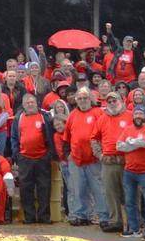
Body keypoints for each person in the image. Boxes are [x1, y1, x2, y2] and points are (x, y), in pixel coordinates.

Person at [10, 93, 55, 224]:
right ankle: (29, 217)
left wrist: (49, 154)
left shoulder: (44, 117)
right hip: (25, 158)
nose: (30, 104)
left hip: (42, 157)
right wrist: (16, 154)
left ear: (37, 104)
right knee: (25, 189)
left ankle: (44, 217)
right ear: (23, 105)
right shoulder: (19, 118)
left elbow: (51, 136)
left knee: (44, 188)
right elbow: (14, 138)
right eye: (27, 102)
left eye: (32, 102)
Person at [117, 106, 145, 241]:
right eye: (136, 114)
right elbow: (118, 145)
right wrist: (135, 143)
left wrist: (129, 142)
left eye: (141, 113)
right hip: (129, 170)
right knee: (129, 201)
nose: (138, 116)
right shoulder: (128, 129)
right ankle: (134, 229)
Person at [92, 91, 132, 233]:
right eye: (109, 101)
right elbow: (94, 138)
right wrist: (99, 154)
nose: (112, 103)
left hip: (127, 162)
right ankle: (116, 221)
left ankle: (134, 221)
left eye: (114, 101)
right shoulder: (102, 119)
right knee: (110, 192)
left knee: (130, 192)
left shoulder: (130, 116)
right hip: (108, 162)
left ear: (121, 101)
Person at [63, 89, 103, 227]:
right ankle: (81, 215)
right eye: (79, 98)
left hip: (94, 159)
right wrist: (68, 153)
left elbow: (104, 133)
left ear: (90, 99)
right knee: (79, 189)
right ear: (76, 100)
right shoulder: (72, 115)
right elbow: (66, 137)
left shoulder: (98, 113)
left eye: (85, 98)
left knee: (98, 189)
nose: (82, 101)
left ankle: (103, 216)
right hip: (76, 159)